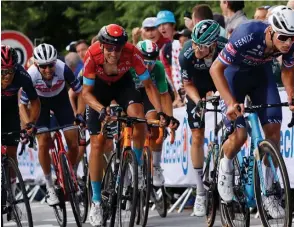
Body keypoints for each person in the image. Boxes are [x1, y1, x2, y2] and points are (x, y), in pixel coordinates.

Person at [209, 6, 294, 218]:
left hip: (261, 76)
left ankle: (269, 192)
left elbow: (288, 69)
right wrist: (231, 102)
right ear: (270, 31)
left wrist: (291, 95)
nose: (288, 43)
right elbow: (215, 69)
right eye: (283, 38)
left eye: (291, 38)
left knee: (273, 131)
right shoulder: (248, 33)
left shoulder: (292, 41)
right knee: (240, 135)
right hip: (234, 76)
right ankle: (225, 167)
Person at [82, 24, 167, 226]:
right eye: (109, 48)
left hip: (122, 85)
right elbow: (85, 93)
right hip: (98, 91)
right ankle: (95, 201)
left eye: (117, 48)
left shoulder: (132, 52)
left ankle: (135, 165)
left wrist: (161, 111)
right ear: (102, 46)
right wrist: (101, 109)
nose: (114, 52)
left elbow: (149, 85)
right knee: (97, 143)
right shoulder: (92, 55)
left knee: (138, 118)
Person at [19, 43, 84, 207]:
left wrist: (79, 114)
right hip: (40, 104)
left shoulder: (63, 69)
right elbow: (22, 105)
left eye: (51, 65)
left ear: (56, 62)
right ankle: (49, 186)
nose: (48, 70)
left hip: (61, 102)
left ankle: (69, 173)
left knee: (73, 142)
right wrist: (28, 125)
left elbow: (81, 91)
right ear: (36, 65)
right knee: (43, 141)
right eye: (43, 66)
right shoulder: (31, 74)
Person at [179, 19, 228, 217]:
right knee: (197, 135)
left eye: (203, 46)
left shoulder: (226, 47)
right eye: (196, 43)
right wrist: (199, 101)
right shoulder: (187, 53)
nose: (198, 49)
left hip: (221, 84)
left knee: (232, 127)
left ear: (215, 44)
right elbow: (187, 84)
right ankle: (200, 190)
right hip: (196, 89)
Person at [131, 40, 180, 186]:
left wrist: (168, 118)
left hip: (149, 95)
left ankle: (156, 165)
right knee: (133, 124)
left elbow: (164, 95)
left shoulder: (158, 68)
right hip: (131, 95)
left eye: (151, 62)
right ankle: (130, 163)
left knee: (156, 124)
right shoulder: (129, 66)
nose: (147, 66)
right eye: (145, 62)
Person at [1, 45, 40, 204]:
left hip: (9, 109)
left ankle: (11, 188)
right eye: (3, 72)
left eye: (10, 71)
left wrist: (30, 124)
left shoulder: (22, 75)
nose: (7, 76)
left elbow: (35, 102)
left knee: (11, 151)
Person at [156, 10, 185, 108]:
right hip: (180, 92)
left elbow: (181, 70)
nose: (162, 28)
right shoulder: (166, 47)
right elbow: (173, 74)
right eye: (159, 25)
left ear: (173, 25)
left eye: (165, 24)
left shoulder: (181, 41)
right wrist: (177, 96)